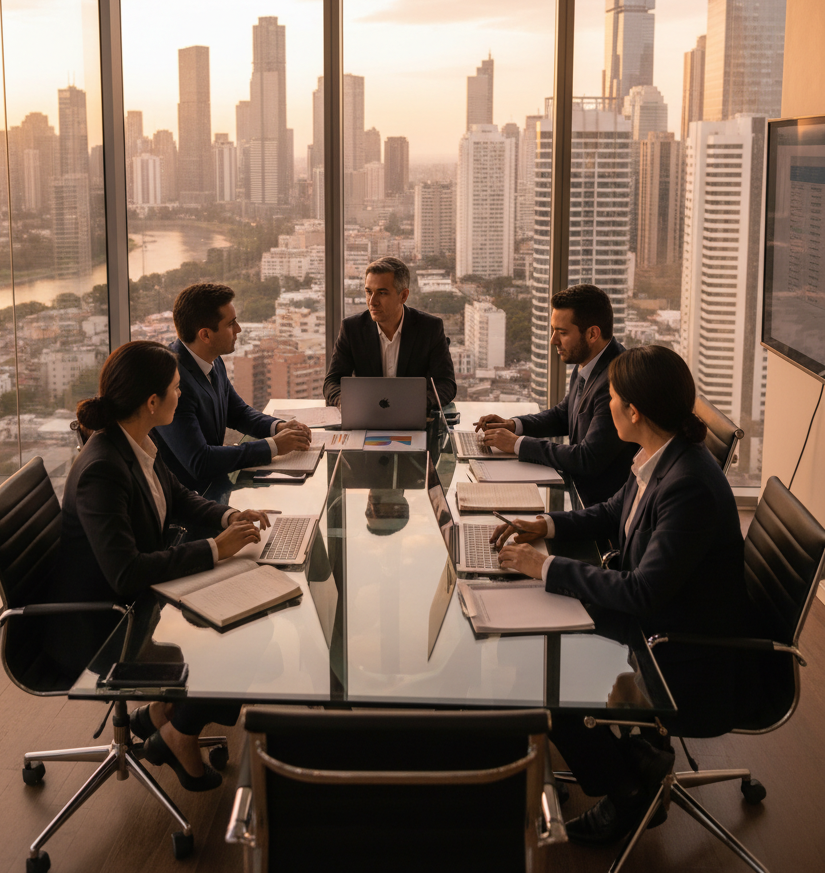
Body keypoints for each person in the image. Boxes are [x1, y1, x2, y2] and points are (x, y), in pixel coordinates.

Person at [490, 345, 755, 844]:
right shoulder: (661, 453)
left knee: (547, 677)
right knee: (537, 640)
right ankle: (630, 759)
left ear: (634, 411)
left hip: (682, 651)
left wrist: (543, 565)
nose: (603, 405)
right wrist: (543, 524)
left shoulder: (689, 486)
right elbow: (611, 513)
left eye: (610, 397)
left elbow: (642, 591)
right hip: (661, 623)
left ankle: (628, 793)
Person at [52, 340, 272, 792]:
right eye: (176, 388)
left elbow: (180, 498)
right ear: (152, 402)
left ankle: (161, 714)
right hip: (103, 625)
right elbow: (126, 573)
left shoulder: (133, 440)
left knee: (254, 611)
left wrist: (230, 517)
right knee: (246, 631)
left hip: (136, 601)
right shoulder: (102, 469)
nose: (181, 395)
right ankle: (177, 734)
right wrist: (216, 550)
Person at [475, 284, 636, 505]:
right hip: (579, 495)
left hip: (598, 509)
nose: (553, 341)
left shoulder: (617, 381)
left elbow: (586, 459)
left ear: (592, 334)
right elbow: (563, 415)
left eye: (562, 333)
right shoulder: (589, 363)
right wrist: (513, 425)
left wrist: (517, 444)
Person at [154, 282, 311, 493]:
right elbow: (200, 461)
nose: (238, 329)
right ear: (205, 335)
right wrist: (273, 446)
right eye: (231, 324)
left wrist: (279, 427)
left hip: (215, 490)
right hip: (189, 504)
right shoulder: (172, 381)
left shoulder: (212, 360)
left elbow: (237, 413)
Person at [323, 257, 456, 409]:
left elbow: (446, 383)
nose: (372, 301)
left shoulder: (430, 328)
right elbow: (332, 382)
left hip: (413, 419)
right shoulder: (352, 328)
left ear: (403, 296)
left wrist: (418, 405)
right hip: (366, 416)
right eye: (368, 292)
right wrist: (345, 401)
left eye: (382, 293)